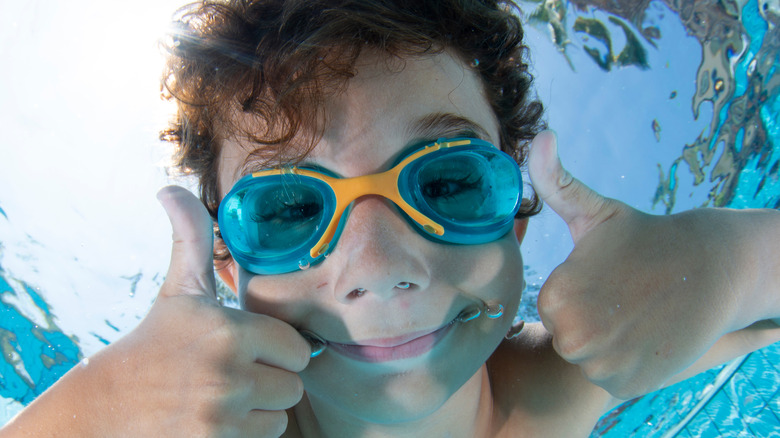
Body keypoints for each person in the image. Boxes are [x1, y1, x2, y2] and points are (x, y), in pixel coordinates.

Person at [2, 0, 779, 436]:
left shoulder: (561, 383)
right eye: (289, 210)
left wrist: (727, 261)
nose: (377, 268)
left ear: (515, 219)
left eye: (446, 185)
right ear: (228, 268)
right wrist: (95, 412)